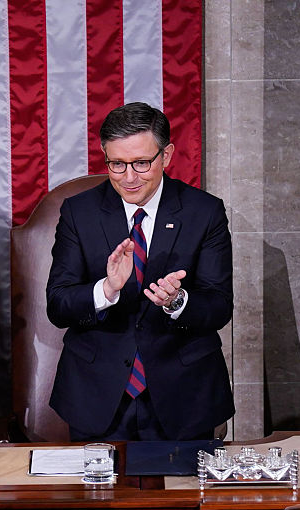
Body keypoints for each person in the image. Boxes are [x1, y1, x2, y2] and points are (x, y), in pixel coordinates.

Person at [46, 101, 235, 441]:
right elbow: (58, 305)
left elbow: (219, 306)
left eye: (142, 163)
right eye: (117, 164)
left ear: (167, 155)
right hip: (97, 396)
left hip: (185, 394)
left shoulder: (204, 212)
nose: (129, 177)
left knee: (182, 495)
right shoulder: (79, 213)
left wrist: (178, 301)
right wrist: (105, 289)